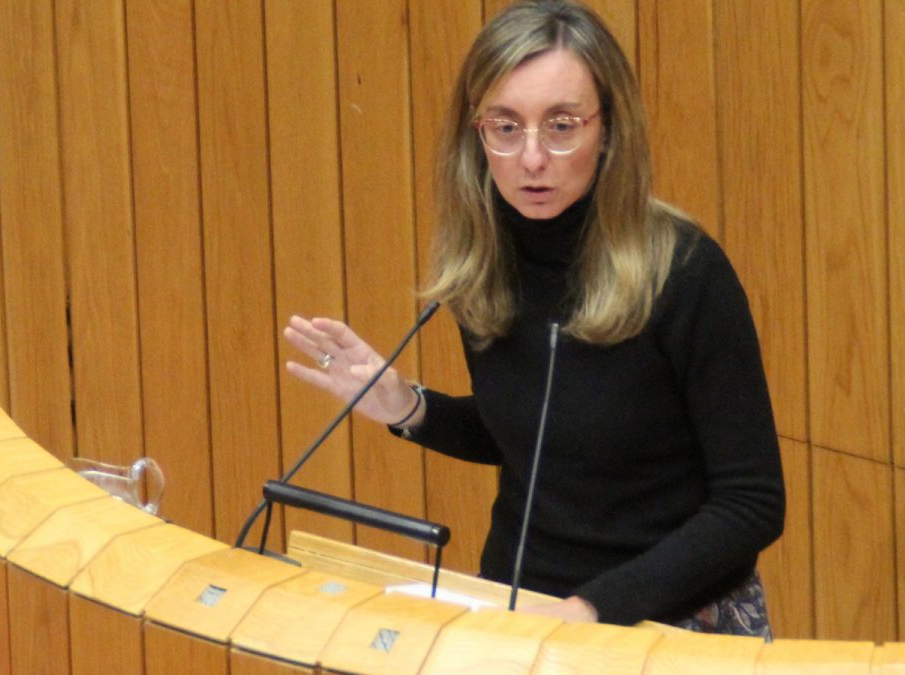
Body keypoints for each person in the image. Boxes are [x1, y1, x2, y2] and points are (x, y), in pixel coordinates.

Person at [283, 0, 784, 636]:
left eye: (562, 125)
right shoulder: (486, 263)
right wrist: (407, 407)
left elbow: (752, 503)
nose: (533, 157)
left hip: (670, 623)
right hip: (521, 611)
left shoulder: (684, 272)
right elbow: (544, 435)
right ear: (477, 134)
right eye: (507, 127)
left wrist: (594, 607)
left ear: (610, 129)